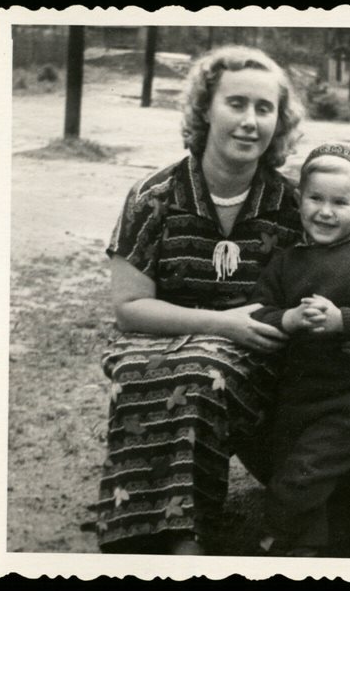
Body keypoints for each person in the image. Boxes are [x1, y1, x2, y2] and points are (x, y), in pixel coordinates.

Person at [93, 45, 304, 555]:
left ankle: (184, 535)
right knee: (165, 369)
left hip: (255, 357)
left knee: (199, 374)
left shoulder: (292, 205)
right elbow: (128, 308)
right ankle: (145, 533)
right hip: (159, 336)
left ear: (279, 120)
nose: (250, 121)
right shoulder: (154, 195)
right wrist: (220, 325)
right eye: (236, 104)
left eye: (264, 108)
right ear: (205, 108)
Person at [249, 144, 350, 556]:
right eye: (316, 198)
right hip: (294, 395)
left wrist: (343, 320)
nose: (325, 211)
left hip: (346, 400)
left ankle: (272, 533)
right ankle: (307, 550)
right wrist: (285, 319)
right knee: (296, 472)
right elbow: (257, 311)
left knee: (304, 474)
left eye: (340, 202)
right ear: (300, 199)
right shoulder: (287, 262)